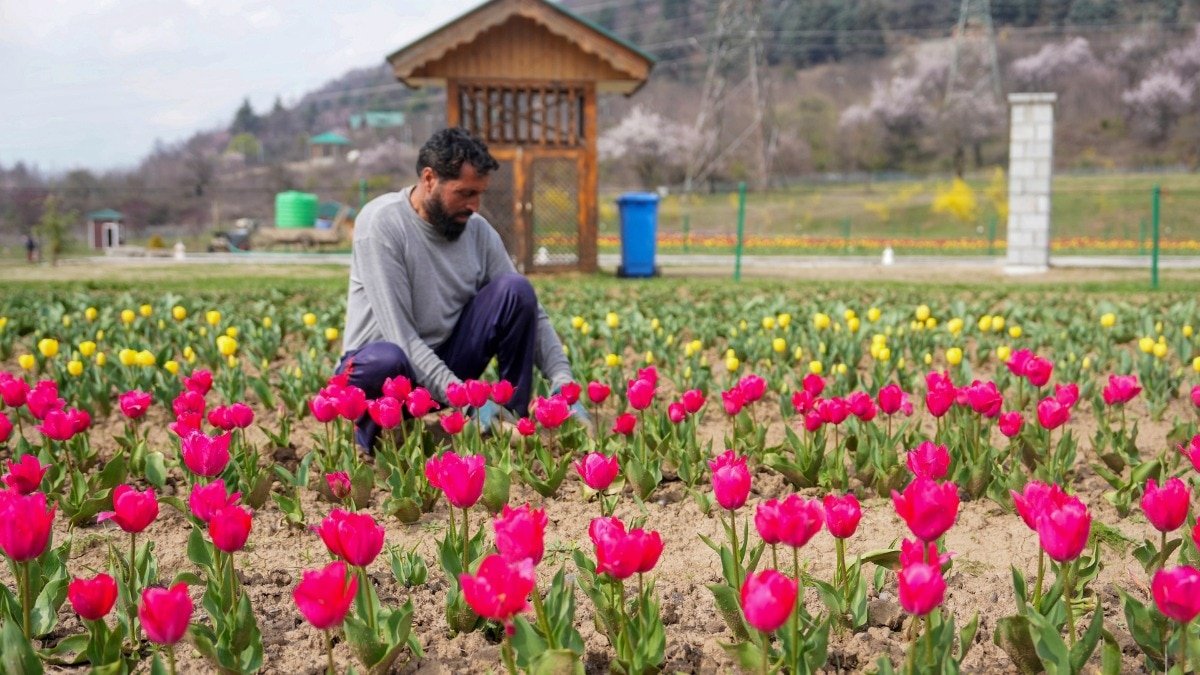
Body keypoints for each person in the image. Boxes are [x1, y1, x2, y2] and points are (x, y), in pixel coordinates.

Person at [338, 127, 583, 452]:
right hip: (378, 367)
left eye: (479, 193)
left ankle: (510, 422)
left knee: (516, 290)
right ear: (429, 179)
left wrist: (563, 381)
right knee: (388, 359)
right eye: (465, 193)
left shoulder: (478, 231)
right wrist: (467, 400)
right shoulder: (383, 224)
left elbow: (532, 315)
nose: (475, 206)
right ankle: (379, 437)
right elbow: (401, 337)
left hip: (444, 359)